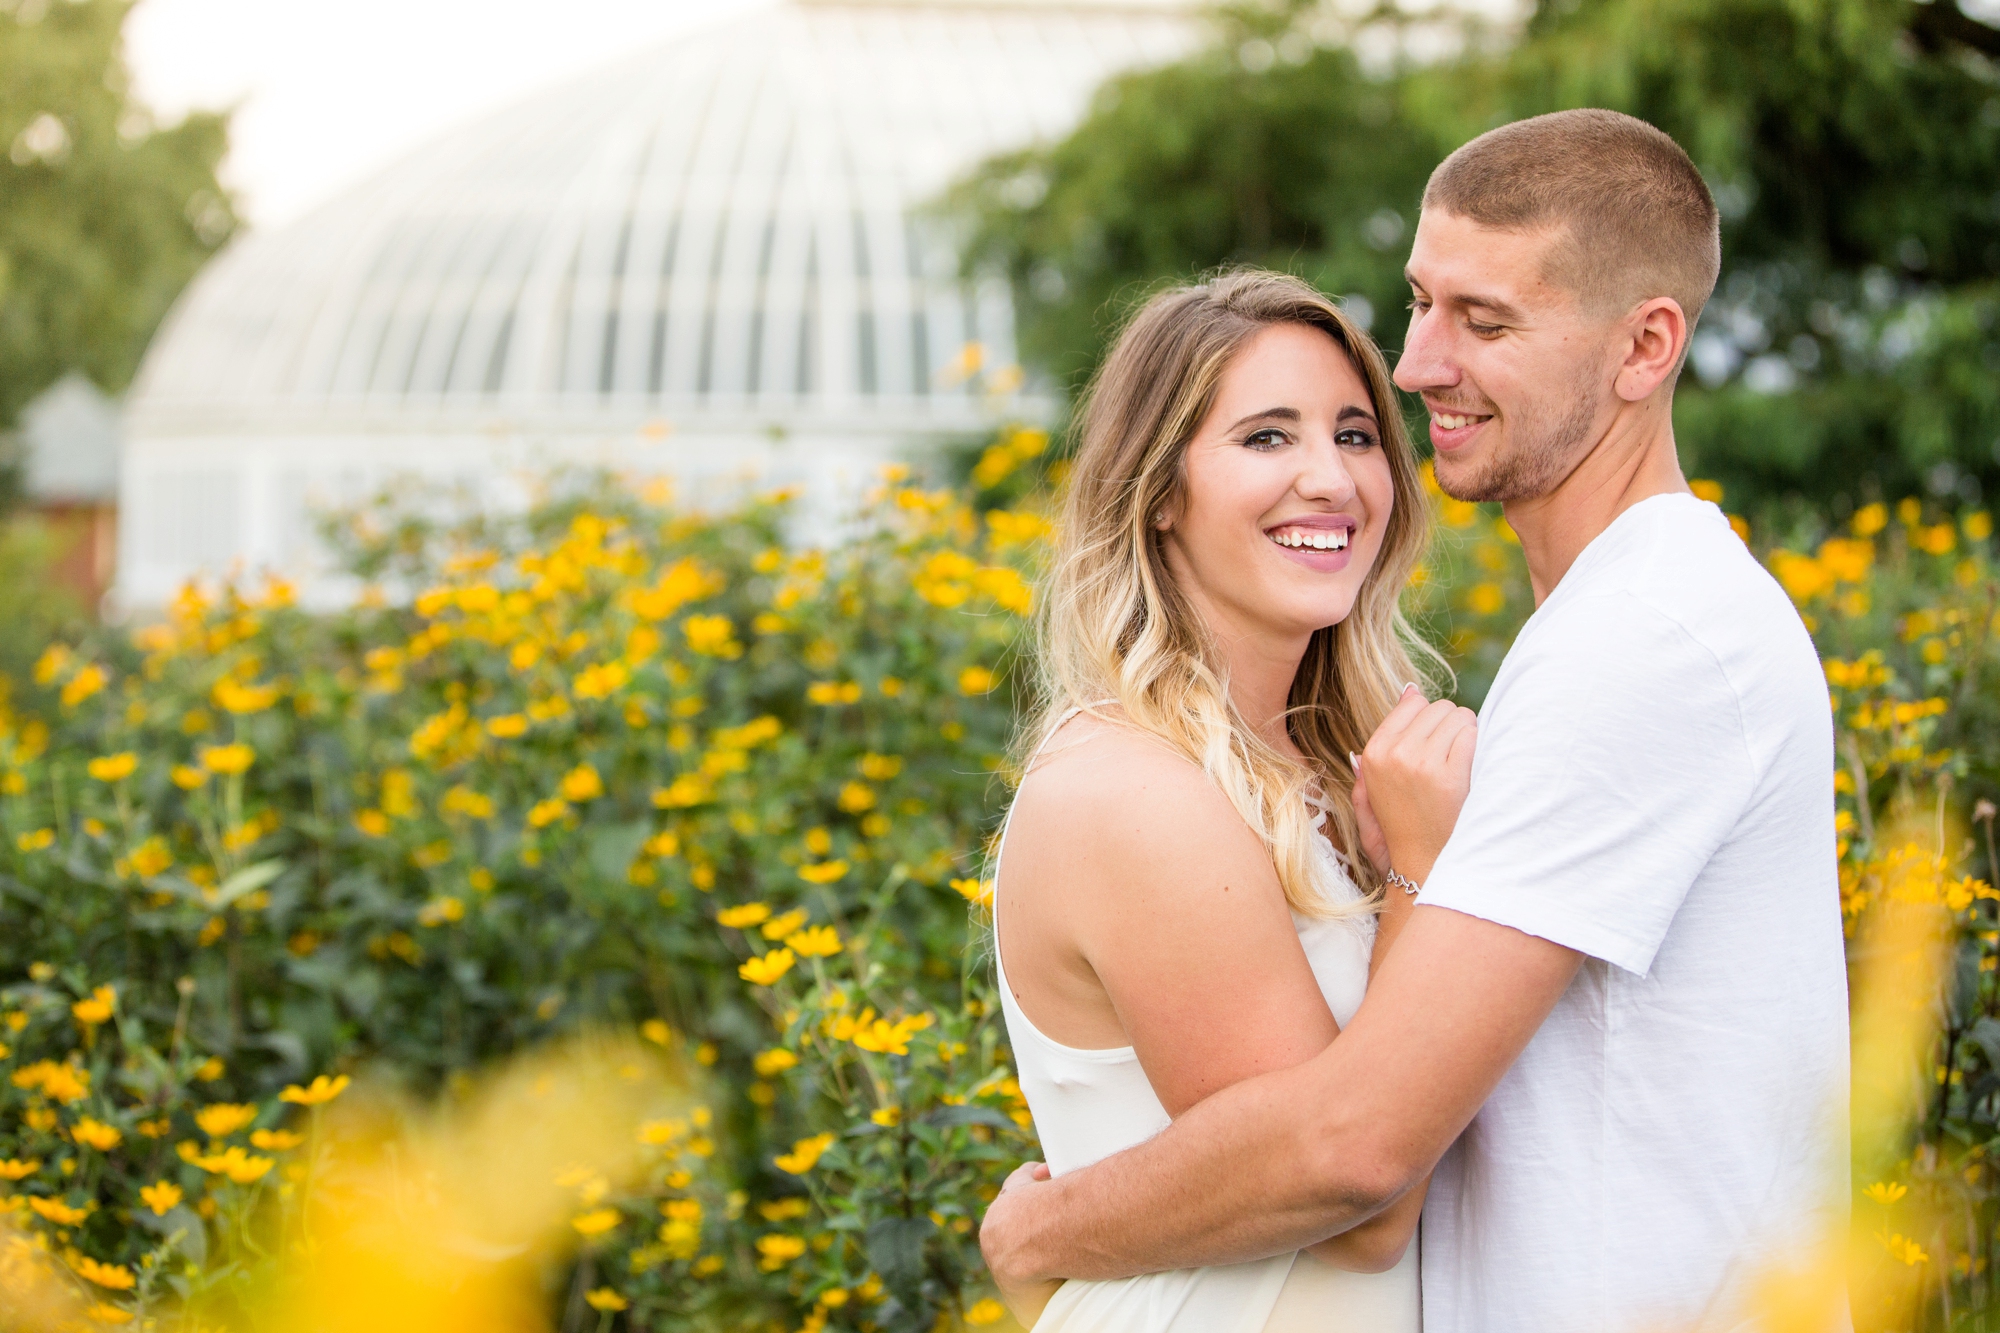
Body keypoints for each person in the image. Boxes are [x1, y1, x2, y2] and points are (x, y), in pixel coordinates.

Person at [981, 108, 1850, 1333]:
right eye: (1420, 303)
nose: (1414, 366)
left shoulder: (1636, 640)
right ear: (1154, 491)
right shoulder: (1146, 784)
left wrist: (1038, 1228)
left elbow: (1353, 1150)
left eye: (1482, 321)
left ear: (1645, 347)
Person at [990, 268, 1464, 1331]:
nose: (1330, 479)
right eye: (1265, 438)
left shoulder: (1352, 764)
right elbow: (1355, 1205)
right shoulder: (1132, 791)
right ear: (1158, 491)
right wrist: (1419, 874)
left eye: (1353, 434)